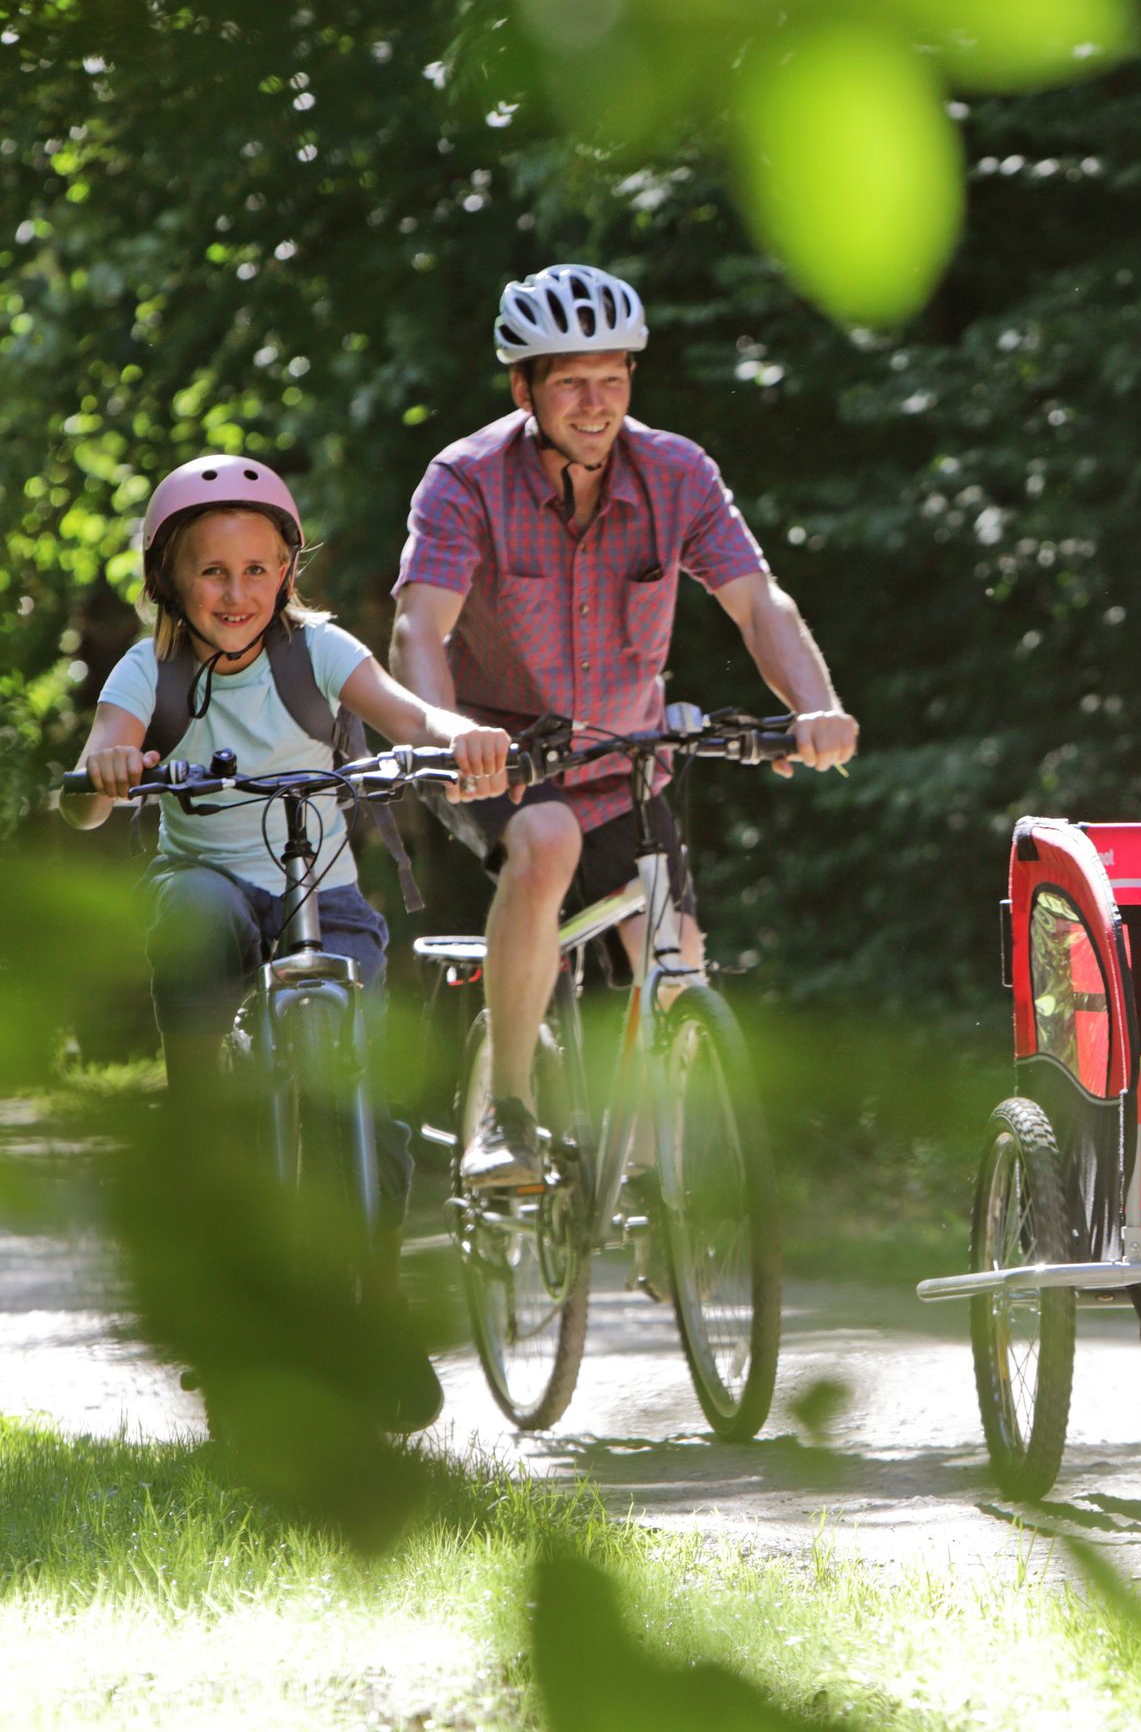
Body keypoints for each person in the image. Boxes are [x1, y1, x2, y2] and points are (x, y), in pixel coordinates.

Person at [62, 453, 515, 1430]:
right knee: (189, 917)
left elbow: (409, 713)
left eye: (259, 569)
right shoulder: (152, 669)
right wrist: (103, 773)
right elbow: (104, 763)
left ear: (288, 572)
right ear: (171, 581)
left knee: (375, 1094)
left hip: (323, 890)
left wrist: (459, 739)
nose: (237, 592)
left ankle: (374, 1301)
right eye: (212, 572)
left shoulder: (319, 651)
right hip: (211, 885)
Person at [390, 263, 859, 1190]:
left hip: (628, 762)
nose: (595, 403)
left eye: (613, 377)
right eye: (570, 381)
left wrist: (817, 708)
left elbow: (757, 604)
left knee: (675, 967)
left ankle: (657, 1188)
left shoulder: (678, 473)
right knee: (549, 838)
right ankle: (507, 1114)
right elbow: (419, 626)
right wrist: (447, 739)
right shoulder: (465, 479)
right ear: (524, 388)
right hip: (501, 760)